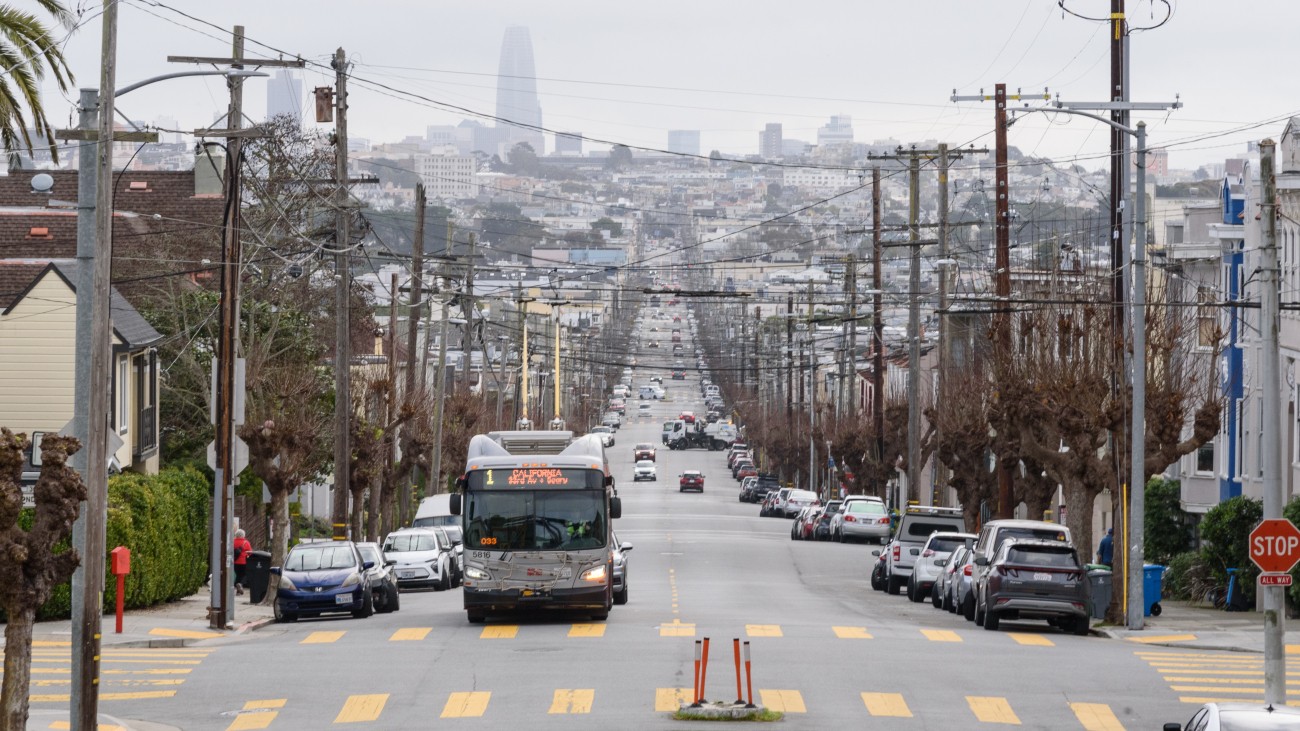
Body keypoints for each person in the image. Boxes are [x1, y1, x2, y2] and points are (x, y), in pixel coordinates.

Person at [233, 529, 252, 595]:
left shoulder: (233, 541)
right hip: (243, 562)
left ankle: (238, 590)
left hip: (235, 562)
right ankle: (240, 584)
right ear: (243, 535)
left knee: (238, 575)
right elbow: (250, 553)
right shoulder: (246, 542)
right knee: (245, 575)